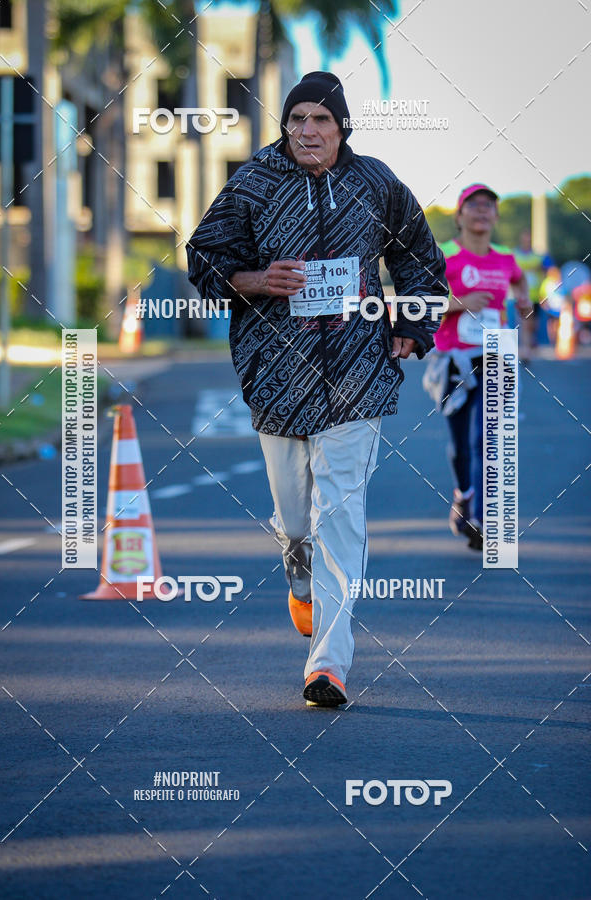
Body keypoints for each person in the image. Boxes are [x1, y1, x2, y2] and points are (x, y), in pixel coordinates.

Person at [187, 71, 448, 707]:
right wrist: (256, 279)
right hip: (274, 371)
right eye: (297, 118)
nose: (308, 130)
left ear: (342, 128)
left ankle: (327, 662)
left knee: (342, 516)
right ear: (285, 124)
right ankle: (299, 579)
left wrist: (412, 326)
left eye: (321, 120)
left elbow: (418, 254)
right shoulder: (255, 183)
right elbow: (204, 259)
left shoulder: (375, 183)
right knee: (297, 521)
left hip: (357, 372)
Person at [428, 184, 531, 550]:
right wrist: (461, 302)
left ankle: (483, 519)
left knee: (488, 437)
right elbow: (423, 304)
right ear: (459, 215)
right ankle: (463, 494)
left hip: (497, 355)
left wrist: (524, 303)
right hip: (454, 359)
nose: (482, 211)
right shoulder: (445, 256)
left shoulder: (505, 257)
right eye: (474, 205)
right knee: (460, 444)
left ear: (496, 216)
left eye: (489, 205)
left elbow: (520, 283)